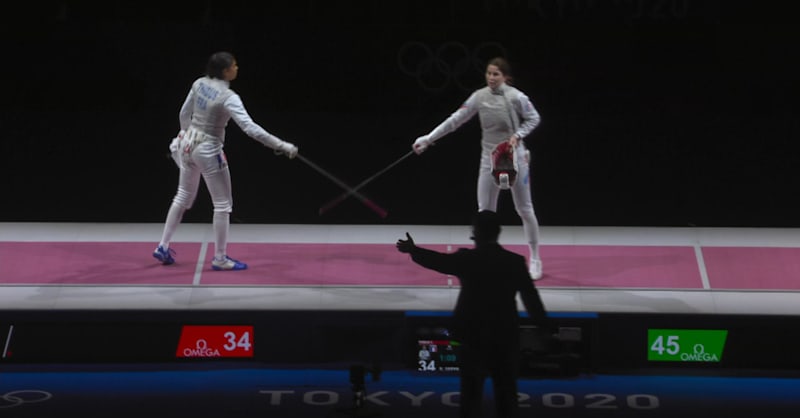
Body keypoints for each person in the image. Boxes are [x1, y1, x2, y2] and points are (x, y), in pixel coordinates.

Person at [153, 51, 298, 271]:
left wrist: (184, 134)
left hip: (187, 145)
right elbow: (250, 129)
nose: (237, 68)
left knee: (182, 196)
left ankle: (163, 245)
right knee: (222, 205)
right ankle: (220, 258)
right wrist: (281, 145)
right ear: (225, 70)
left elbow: (184, 114)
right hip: (208, 150)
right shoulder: (229, 97)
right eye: (234, 65)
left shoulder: (199, 83)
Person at [396, 210, 548, 418]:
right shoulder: (513, 262)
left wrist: (413, 250)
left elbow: (439, 262)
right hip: (504, 338)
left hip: (472, 338)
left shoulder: (468, 259)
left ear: (475, 233)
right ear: (497, 232)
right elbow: (531, 298)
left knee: (470, 398)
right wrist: (545, 327)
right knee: (507, 398)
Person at [412, 57, 544, 280]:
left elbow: (534, 118)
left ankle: (536, 258)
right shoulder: (479, 97)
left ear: (505, 76)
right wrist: (429, 138)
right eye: (489, 73)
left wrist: (518, 135)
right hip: (488, 159)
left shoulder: (516, 97)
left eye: (496, 74)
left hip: (515, 158)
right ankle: (487, 257)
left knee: (524, 209)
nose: (491, 78)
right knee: (485, 212)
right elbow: (456, 120)